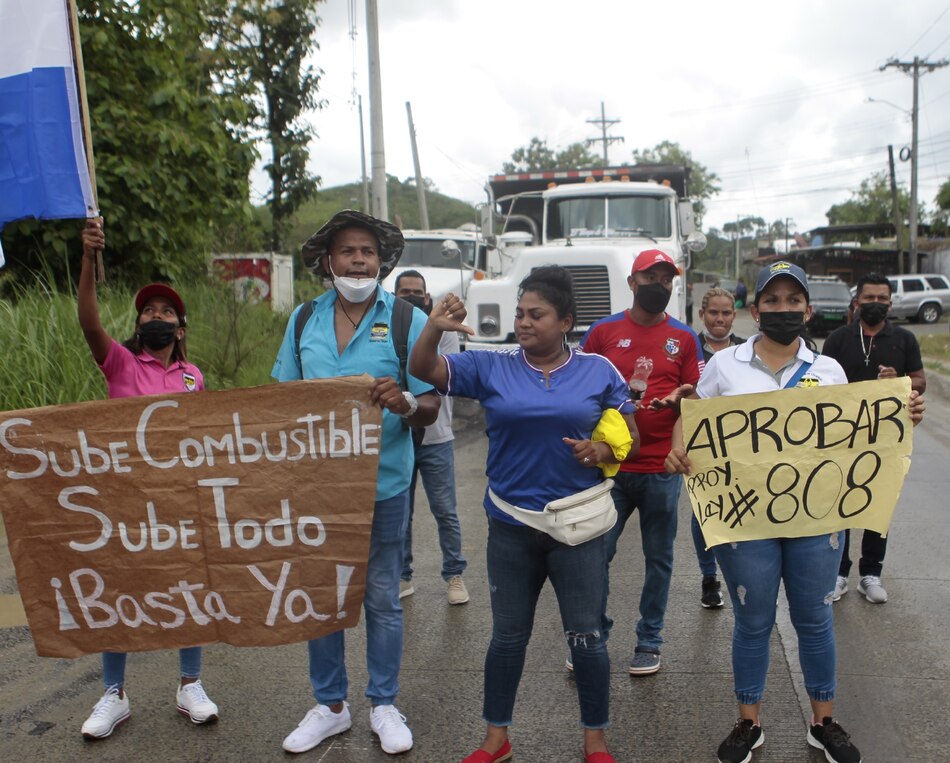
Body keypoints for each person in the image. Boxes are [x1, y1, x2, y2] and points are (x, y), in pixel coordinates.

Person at [665, 261, 925, 763]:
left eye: (792, 301)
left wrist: (902, 413)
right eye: (773, 300)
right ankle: (749, 723)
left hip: (816, 520)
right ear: (756, 307)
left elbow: (858, 432)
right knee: (752, 620)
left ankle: (823, 722)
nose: (782, 309)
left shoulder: (829, 370)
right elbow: (692, 416)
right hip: (746, 521)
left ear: (807, 308)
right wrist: (680, 448)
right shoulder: (724, 366)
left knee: (814, 619)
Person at [408, 266, 638, 763]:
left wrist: (600, 450)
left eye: (537, 314)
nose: (524, 322)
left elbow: (631, 437)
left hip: (577, 528)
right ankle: (497, 739)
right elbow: (425, 369)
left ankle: (595, 741)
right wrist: (434, 326)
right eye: (519, 314)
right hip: (511, 526)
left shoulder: (599, 370)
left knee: (587, 638)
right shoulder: (493, 366)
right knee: (507, 638)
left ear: (566, 321)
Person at [273, 210, 440, 756]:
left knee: (383, 598)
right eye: (349, 251)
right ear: (329, 262)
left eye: (368, 251)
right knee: (322, 597)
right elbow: (280, 402)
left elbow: (432, 402)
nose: (360, 260)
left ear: (382, 261)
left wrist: (406, 400)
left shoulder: (407, 320)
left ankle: (384, 704)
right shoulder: (303, 321)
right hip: (317, 488)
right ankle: (331, 706)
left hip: (384, 484)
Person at [76, 218, 218, 739]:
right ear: (138, 325)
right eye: (147, 311)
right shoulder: (119, 363)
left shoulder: (193, 376)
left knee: (188, 587)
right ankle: (113, 693)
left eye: (165, 312)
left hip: (180, 498)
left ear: (179, 329)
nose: (154, 316)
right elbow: (90, 322)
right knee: (119, 590)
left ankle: (190, 684)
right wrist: (89, 259)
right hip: (126, 501)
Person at [580, 249, 703, 675]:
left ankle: (649, 640)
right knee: (596, 555)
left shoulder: (685, 338)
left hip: (660, 472)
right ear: (632, 283)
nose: (660, 286)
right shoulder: (602, 333)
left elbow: (693, 402)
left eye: (667, 279)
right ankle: (592, 633)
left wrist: (678, 445)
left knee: (659, 559)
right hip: (610, 470)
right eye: (651, 278)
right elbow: (581, 390)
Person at [822, 272, 926, 605]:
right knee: (840, 503)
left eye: (882, 299)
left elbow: (920, 380)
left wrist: (902, 380)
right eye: (870, 298)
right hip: (843, 438)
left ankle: (871, 574)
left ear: (891, 303)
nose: (876, 304)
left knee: (877, 504)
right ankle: (838, 573)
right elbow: (821, 382)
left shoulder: (904, 339)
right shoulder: (839, 338)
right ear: (857, 302)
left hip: (886, 441)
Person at [393, 269, 469, 605]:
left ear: (427, 299)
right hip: (399, 436)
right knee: (400, 510)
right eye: (404, 291)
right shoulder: (388, 330)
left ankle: (454, 575)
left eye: (417, 292)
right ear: (394, 296)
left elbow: (433, 373)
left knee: (445, 511)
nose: (411, 296)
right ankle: (402, 574)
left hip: (437, 438)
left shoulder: (444, 331)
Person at [691, 287, 745, 609]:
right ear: (702, 314)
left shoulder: (746, 351)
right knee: (704, 514)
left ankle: (744, 577)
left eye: (726, 313)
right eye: (714, 312)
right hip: (703, 447)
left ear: (734, 316)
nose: (720, 319)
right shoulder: (690, 348)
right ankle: (709, 577)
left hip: (742, 448)